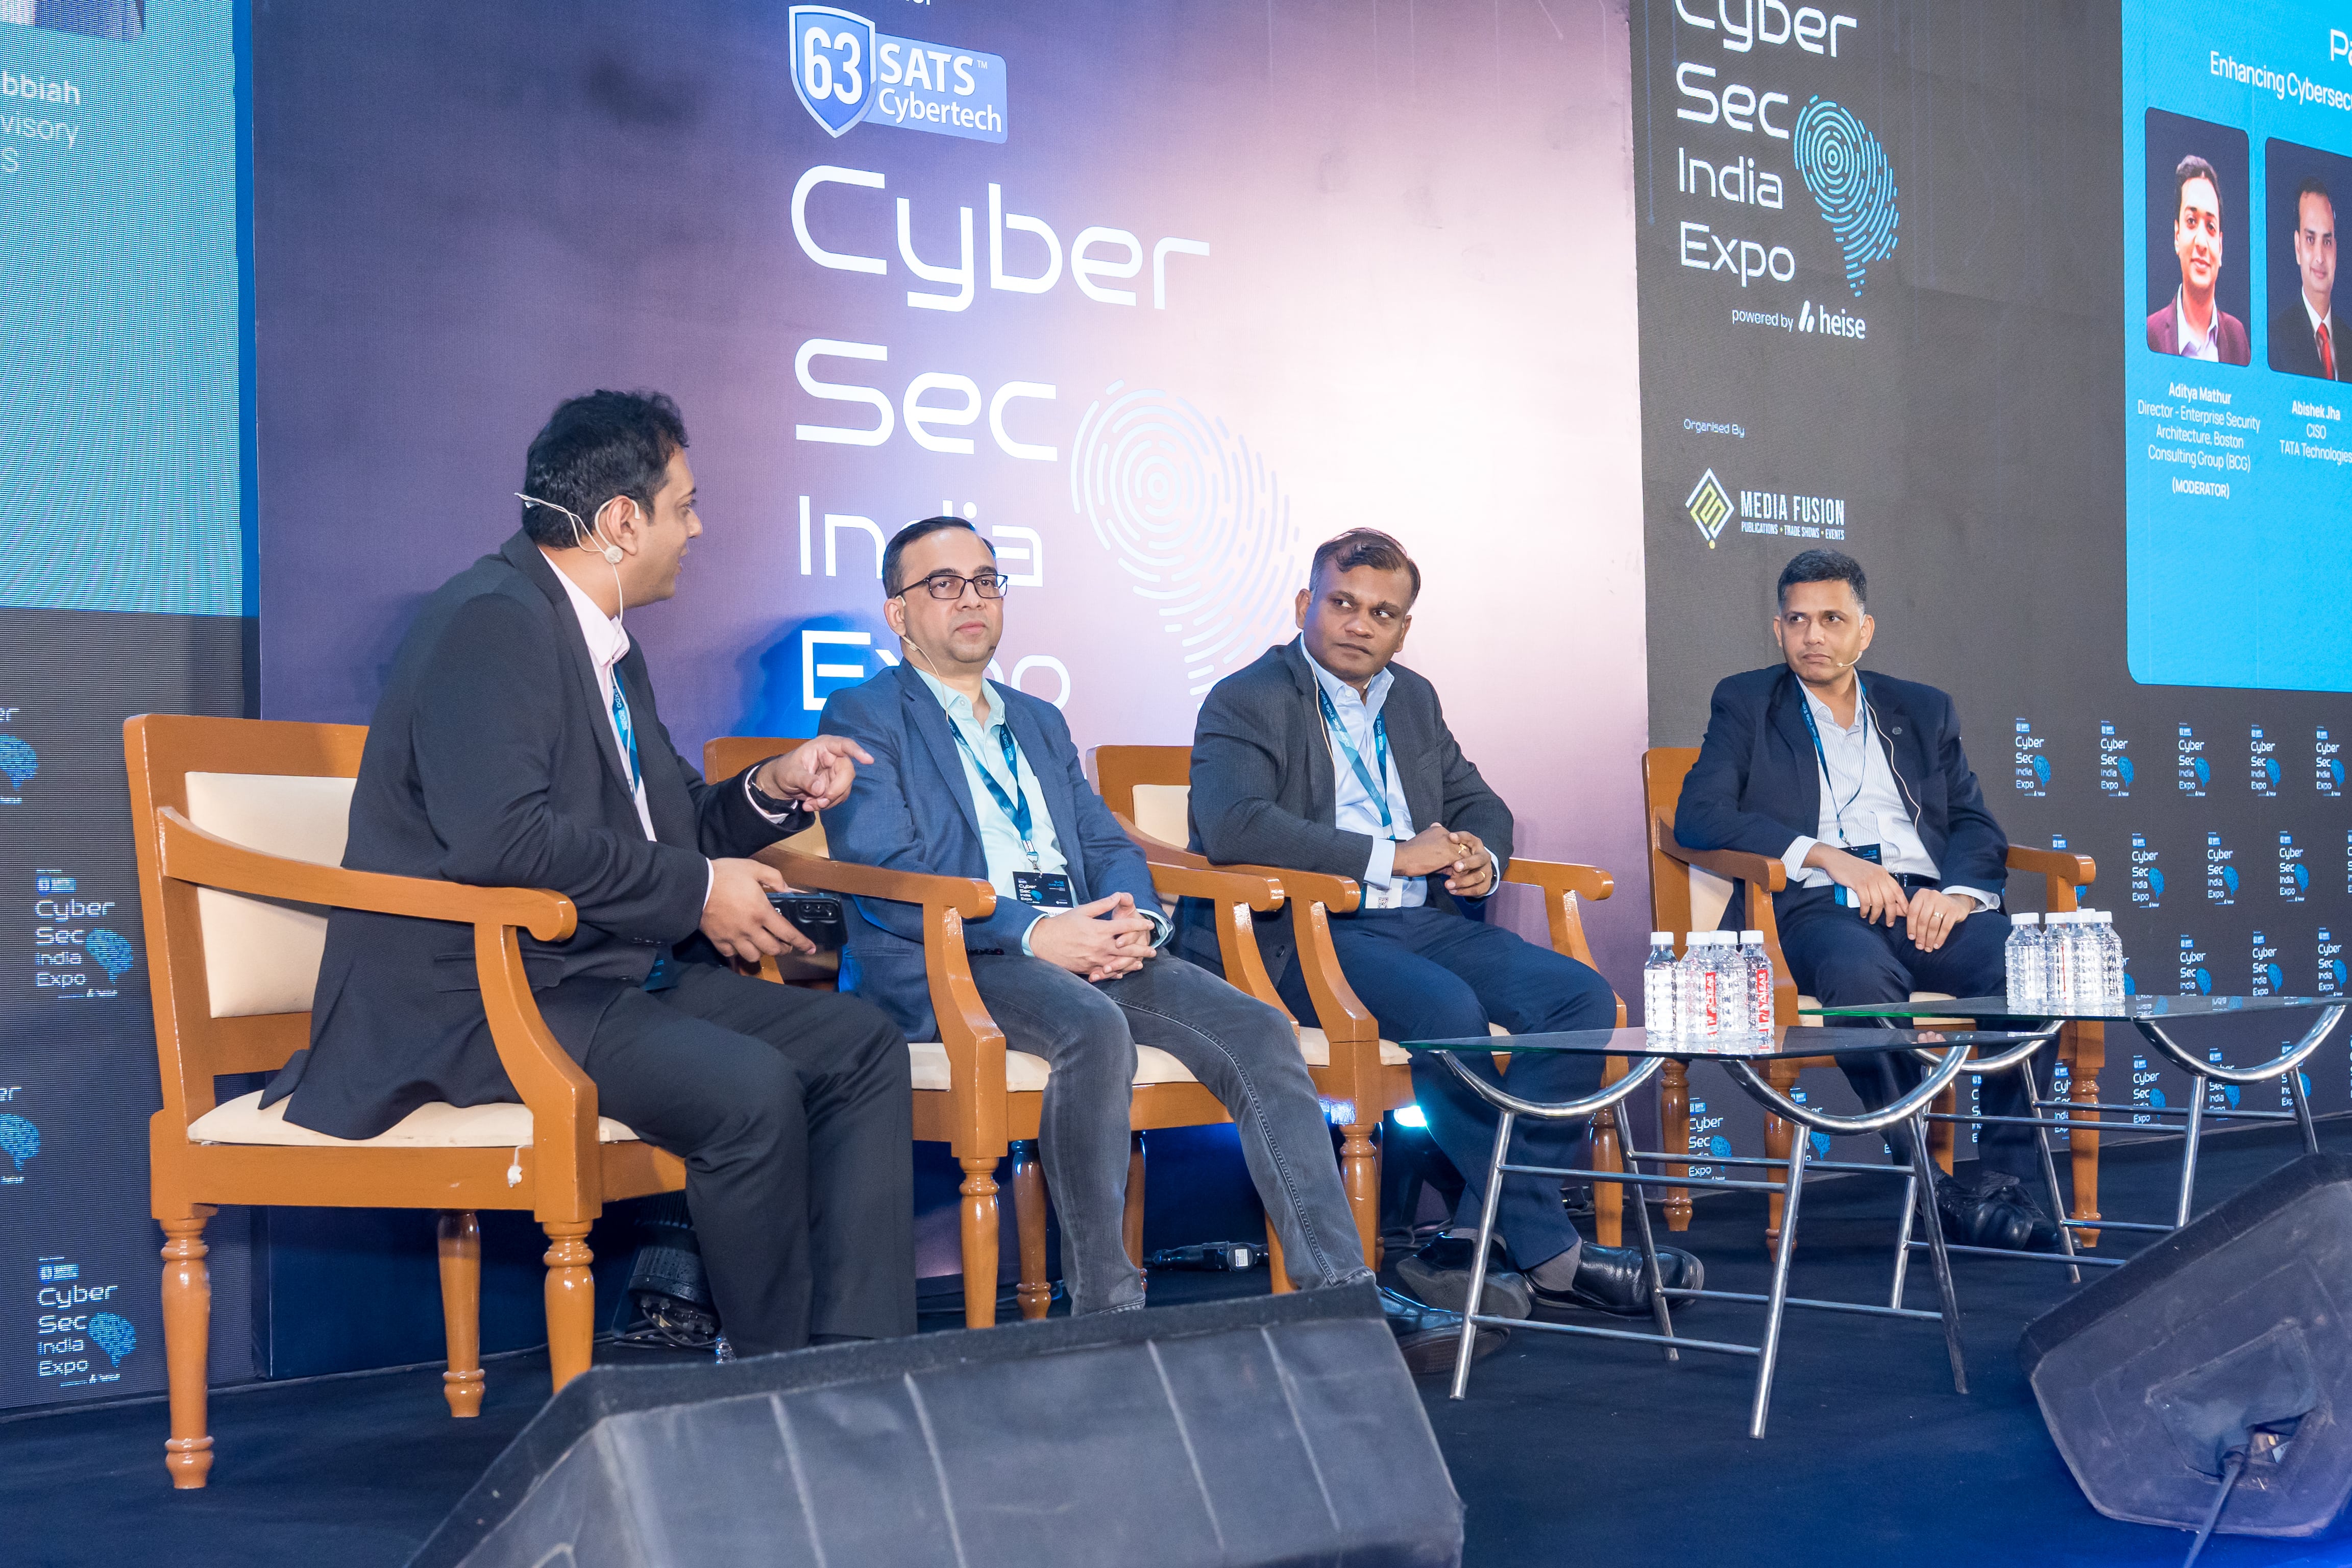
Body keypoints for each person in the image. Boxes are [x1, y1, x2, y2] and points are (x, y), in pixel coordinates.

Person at [263, 390, 917, 1356]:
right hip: (483, 994)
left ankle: (860, 1363)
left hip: (598, 972)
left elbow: (675, 821)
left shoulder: (605, 641)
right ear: (621, 521)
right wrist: (701, 892)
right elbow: (501, 842)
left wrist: (774, 786)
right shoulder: (490, 621)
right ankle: (774, 1385)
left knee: (859, 1045)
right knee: (748, 1091)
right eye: (685, 506)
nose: (698, 529)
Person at [819, 517, 1456, 1339]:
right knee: (1092, 1029)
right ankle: (1106, 1312)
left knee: (1260, 1030)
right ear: (898, 613)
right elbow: (885, 876)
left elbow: (1105, 844)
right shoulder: (864, 712)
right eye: (943, 585)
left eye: (985, 581)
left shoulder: (1037, 719)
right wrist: (1035, 932)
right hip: (961, 956)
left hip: (1090, 941)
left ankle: (1337, 1293)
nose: (970, 600)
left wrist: (1136, 918)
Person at [1180, 527, 1702, 1321]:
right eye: (1343, 603)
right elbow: (1233, 825)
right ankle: (1553, 1253)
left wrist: (1482, 857)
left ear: (1404, 628)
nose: (1360, 625)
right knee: (1448, 1010)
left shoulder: (1412, 698)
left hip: (1417, 923)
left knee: (1579, 999)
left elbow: (1477, 802)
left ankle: (1469, 1235)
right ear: (1305, 604)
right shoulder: (1248, 697)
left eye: (1382, 614)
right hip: (1304, 933)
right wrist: (1393, 855)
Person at [1673, 548, 2057, 1251]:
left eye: (1831, 619)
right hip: (1821, 907)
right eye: (1797, 621)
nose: (1812, 636)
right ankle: (1928, 1181)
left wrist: (1959, 896)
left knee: (2030, 965)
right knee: (1858, 979)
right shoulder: (1747, 703)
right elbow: (1699, 815)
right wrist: (1825, 856)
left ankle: (2008, 1180)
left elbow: (1974, 824)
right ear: (1778, 629)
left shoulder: (1923, 709)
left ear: (1865, 630)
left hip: (1924, 907)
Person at [2147, 154, 2251, 365]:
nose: (2202, 242)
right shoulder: (2150, 335)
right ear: (2177, 236)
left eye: (2211, 227)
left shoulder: (2237, 339)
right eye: (2192, 221)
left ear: (2220, 247)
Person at [2270, 177, 2344, 382]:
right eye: (2311, 240)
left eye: (2327, 242)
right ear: (2298, 247)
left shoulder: (2349, 340)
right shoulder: (2275, 341)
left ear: (2335, 251)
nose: (2320, 257)